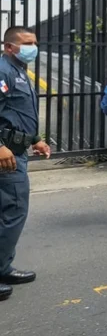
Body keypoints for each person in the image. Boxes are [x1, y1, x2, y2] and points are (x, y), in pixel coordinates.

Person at [0, 27, 52, 302]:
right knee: (14, 212)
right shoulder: (3, 70)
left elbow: (18, 111)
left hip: (17, 150)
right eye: (27, 43)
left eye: (34, 42)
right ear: (9, 46)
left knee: (7, 212)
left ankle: (3, 267)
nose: (33, 47)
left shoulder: (18, 69)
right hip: (5, 155)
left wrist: (36, 139)